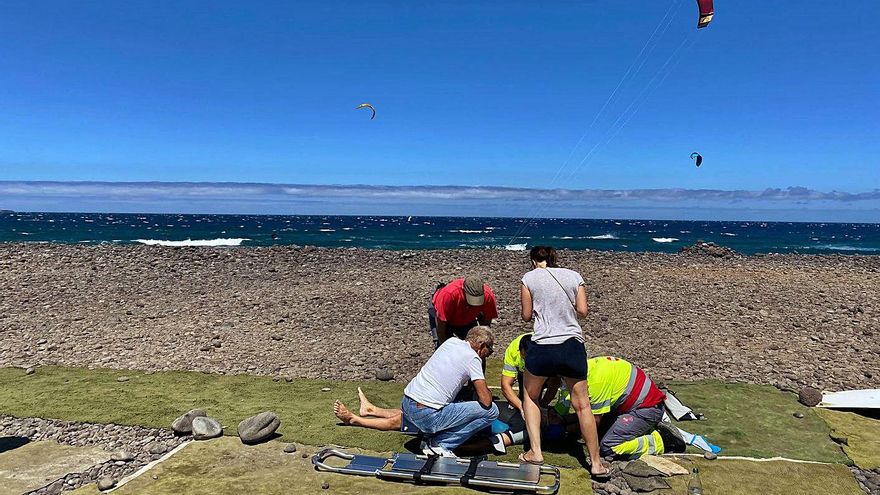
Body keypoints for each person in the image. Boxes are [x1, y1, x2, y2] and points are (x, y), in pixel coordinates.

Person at [519, 246, 609, 477]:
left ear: (532, 260)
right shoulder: (574, 276)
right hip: (571, 344)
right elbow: (583, 311)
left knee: (531, 396)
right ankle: (596, 462)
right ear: (554, 259)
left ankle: (536, 452)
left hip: (543, 344)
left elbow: (527, 315)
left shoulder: (528, 278)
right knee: (583, 404)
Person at [400, 326, 499, 456]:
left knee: (456, 396)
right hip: (427, 416)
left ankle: (428, 437)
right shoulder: (473, 358)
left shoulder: (450, 342)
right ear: (482, 345)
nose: (488, 355)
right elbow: (486, 401)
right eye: (490, 350)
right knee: (491, 411)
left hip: (407, 403)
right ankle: (440, 444)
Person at [428, 276, 498, 348]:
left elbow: (485, 324)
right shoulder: (449, 295)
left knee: (474, 346)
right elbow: (441, 324)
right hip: (442, 318)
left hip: (467, 318)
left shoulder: (488, 296)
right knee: (443, 348)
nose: (474, 305)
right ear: (464, 292)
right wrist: (444, 346)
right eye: (472, 301)